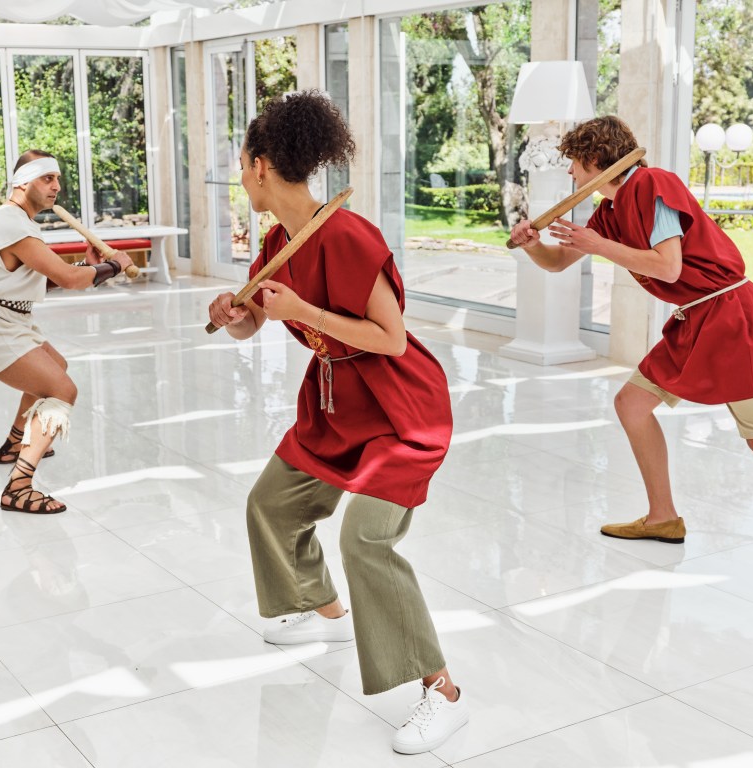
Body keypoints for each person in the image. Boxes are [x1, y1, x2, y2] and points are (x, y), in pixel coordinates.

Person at [207, 90, 468, 754]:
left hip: (398, 409)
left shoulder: (348, 235)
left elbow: (392, 340)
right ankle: (325, 609)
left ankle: (441, 692)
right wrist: (237, 316)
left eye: (242, 164)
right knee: (271, 502)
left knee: (366, 542)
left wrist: (304, 309)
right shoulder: (274, 240)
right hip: (332, 405)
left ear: (263, 165)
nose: (241, 176)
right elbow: (257, 321)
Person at [509, 116, 753, 610]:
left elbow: (667, 266)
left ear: (595, 159)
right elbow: (558, 262)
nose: (569, 171)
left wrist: (596, 246)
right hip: (695, 317)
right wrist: (533, 247)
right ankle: (663, 517)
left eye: (573, 161)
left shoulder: (653, 184)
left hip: (731, 314)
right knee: (632, 404)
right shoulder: (609, 211)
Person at [0, 149, 133, 514]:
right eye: (47, 179)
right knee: (62, 389)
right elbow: (66, 279)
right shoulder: (10, 222)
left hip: (2, 316)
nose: (56, 187)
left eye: (58, 179)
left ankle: (16, 443)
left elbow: (35, 282)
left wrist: (87, 266)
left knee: (56, 367)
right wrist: (113, 266)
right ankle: (18, 486)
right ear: (23, 182)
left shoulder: (16, 222)